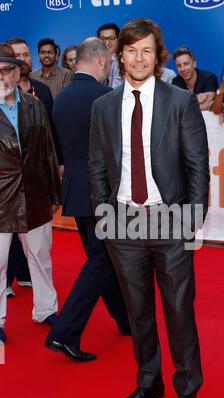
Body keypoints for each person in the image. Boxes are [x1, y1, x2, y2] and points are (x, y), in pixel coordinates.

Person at [89, 19, 209, 398]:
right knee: (137, 311)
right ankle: (149, 383)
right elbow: (96, 167)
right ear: (118, 55)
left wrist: (191, 220)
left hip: (170, 220)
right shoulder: (102, 107)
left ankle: (187, 388)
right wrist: (105, 215)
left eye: (146, 51)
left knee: (178, 311)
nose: (138, 59)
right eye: (130, 50)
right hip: (122, 225)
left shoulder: (180, 102)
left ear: (158, 56)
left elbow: (198, 166)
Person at [45, 38, 130, 362]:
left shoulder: (62, 98)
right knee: (102, 260)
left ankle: (125, 321)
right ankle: (64, 333)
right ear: (98, 61)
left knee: (102, 257)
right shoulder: (105, 98)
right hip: (101, 192)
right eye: (108, 64)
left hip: (77, 193)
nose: (108, 70)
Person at [0, 43, 61, 343]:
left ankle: (46, 309)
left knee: (40, 255)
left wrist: (53, 194)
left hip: (35, 195)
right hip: (0, 200)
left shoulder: (34, 104)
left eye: (7, 70)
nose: (2, 77)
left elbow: (48, 152)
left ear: (16, 71)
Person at [172, 46, 218, 110]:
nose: (183, 69)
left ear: (194, 64)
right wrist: (195, 99)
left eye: (186, 64)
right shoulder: (176, 82)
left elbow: (206, 106)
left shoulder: (209, 78)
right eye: (179, 66)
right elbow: (176, 108)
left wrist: (185, 104)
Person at [97, 23, 122, 88]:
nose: (107, 43)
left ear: (119, 39)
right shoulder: (95, 60)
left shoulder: (122, 61)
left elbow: (116, 91)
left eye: (111, 38)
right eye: (103, 39)